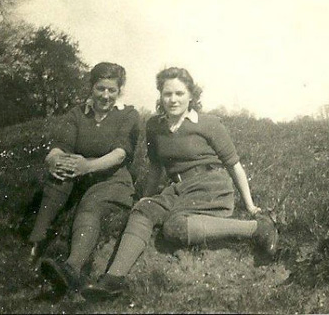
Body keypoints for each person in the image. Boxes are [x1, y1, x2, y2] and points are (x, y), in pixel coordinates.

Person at [81, 67, 278, 300]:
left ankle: (257, 229)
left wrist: (251, 206)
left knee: (174, 227)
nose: (173, 100)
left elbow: (234, 165)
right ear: (160, 96)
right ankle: (113, 279)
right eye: (167, 94)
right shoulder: (154, 127)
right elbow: (156, 168)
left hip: (211, 185)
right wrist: (147, 196)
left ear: (191, 96)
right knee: (142, 210)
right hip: (177, 188)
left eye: (179, 94)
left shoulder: (208, 124)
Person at [28, 62, 140, 293]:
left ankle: (71, 269)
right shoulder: (77, 113)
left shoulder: (128, 114)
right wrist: (55, 162)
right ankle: (35, 245)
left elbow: (120, 155)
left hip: (113, 180)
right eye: (100, 88)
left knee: (90, 206)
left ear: (120, 91)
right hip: (82, 176)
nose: (105, 95)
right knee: (59, 175)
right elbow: (59, 147)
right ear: (91, 87)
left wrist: (86, 167)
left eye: (111, 90)